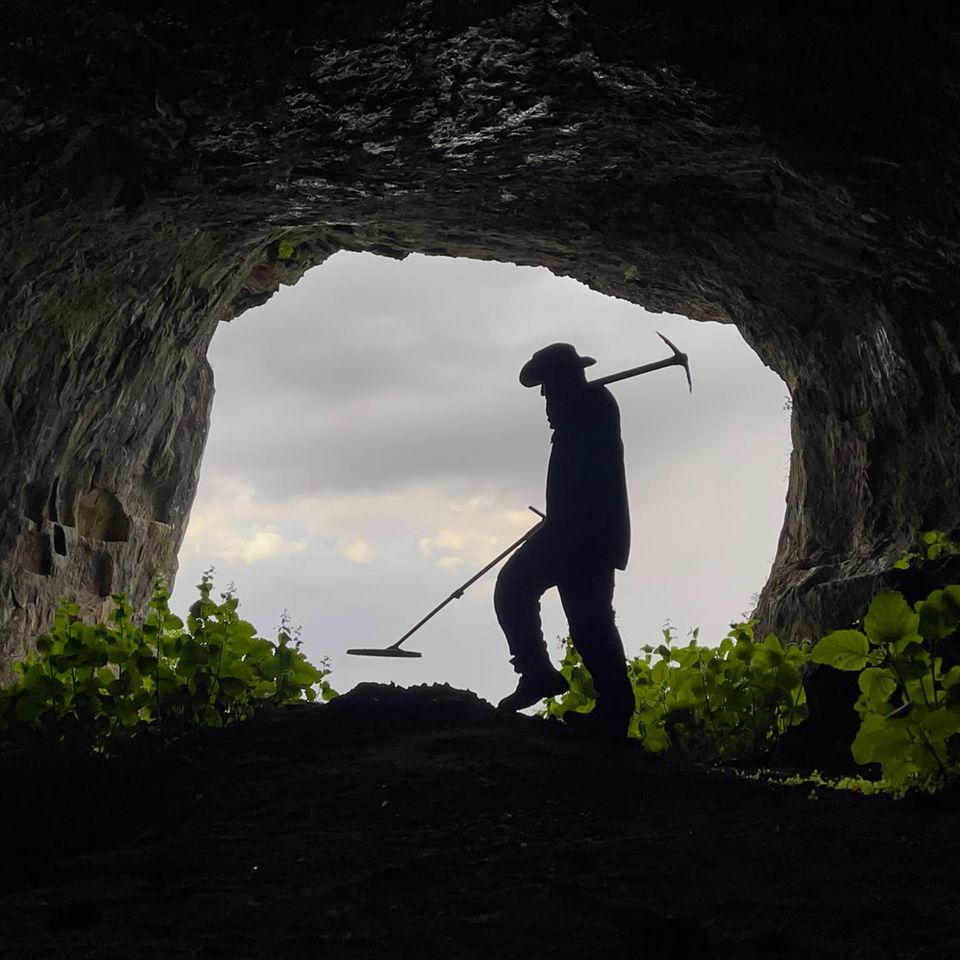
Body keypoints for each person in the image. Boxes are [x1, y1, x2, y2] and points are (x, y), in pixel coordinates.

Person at [495, 343, 636, 737]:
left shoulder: (592, 407)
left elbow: (585, 477)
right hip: (580, 534)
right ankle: (612, 710)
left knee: (514, 589)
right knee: (590, 622)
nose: (543, 397)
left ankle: (539, 674)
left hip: (580, 536)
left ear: (563, 382)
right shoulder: (585, 409)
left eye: (547, 386)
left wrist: (558, 523)